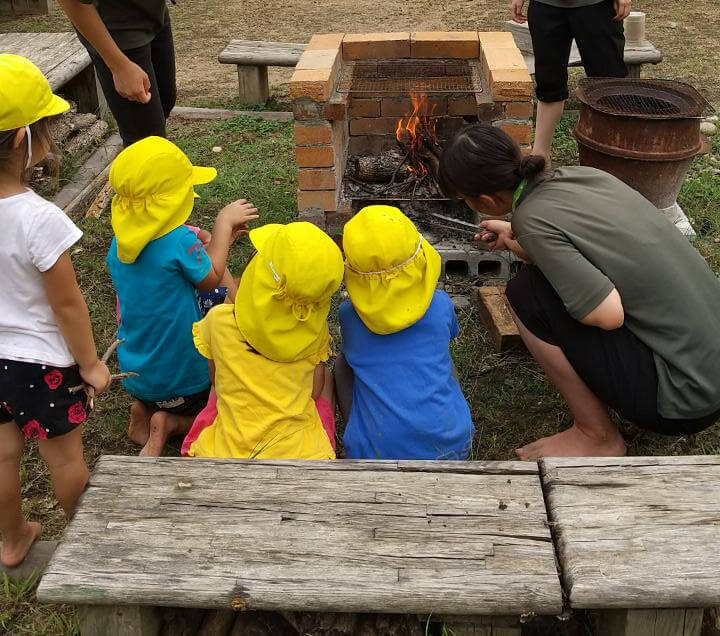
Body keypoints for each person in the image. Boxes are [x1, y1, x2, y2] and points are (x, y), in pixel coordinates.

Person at [439, 124, 720, 459]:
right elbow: (594, 247)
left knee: (526, 293)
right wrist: (524, 239)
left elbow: (608, 315)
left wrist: (530, 235)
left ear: (485, 200)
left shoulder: (533, 219)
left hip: (683, 400)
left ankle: (596, 434)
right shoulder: (582, 176)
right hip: (708, 370)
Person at [0, 55, 111, 568]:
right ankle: (92, 552)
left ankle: (12, 538)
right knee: (66, 460)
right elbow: (67, 304)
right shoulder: (40, 220)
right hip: (40, 365)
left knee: (2, 456)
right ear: (25, 138)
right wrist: (89, 364)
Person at [106, 136, 258, 457]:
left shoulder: (118, 246)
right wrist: (223, 227)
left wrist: (205, 243)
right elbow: (211, 279)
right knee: (228, 405)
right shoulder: (178, 243)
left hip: (139, 379)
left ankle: (143, 412)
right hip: (188, 384)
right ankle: (172, 422)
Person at [183, 222, 343, 460]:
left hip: (225, 452)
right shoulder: (314, 335)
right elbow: (313, 391)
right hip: (303, 456)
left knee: (216, 400)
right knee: (325, 386)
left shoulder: (218, 321)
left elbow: (217, 379)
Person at [334, 205, 474, 460]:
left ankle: (355, 424)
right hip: (452, 442)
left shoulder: (349, 316)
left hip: (373, 452)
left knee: (342, 365)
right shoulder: (441, 305)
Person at [510, 0, 631, 160]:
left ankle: (611, 159)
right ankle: (540, 159)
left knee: (608, 87)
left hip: (597, 7)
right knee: (549, 84)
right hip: (546, 6)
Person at [58, 0, 176, 146]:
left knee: (166, 101)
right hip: (119, 32)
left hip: (153, 15)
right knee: (145, 136)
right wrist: (119, 66)